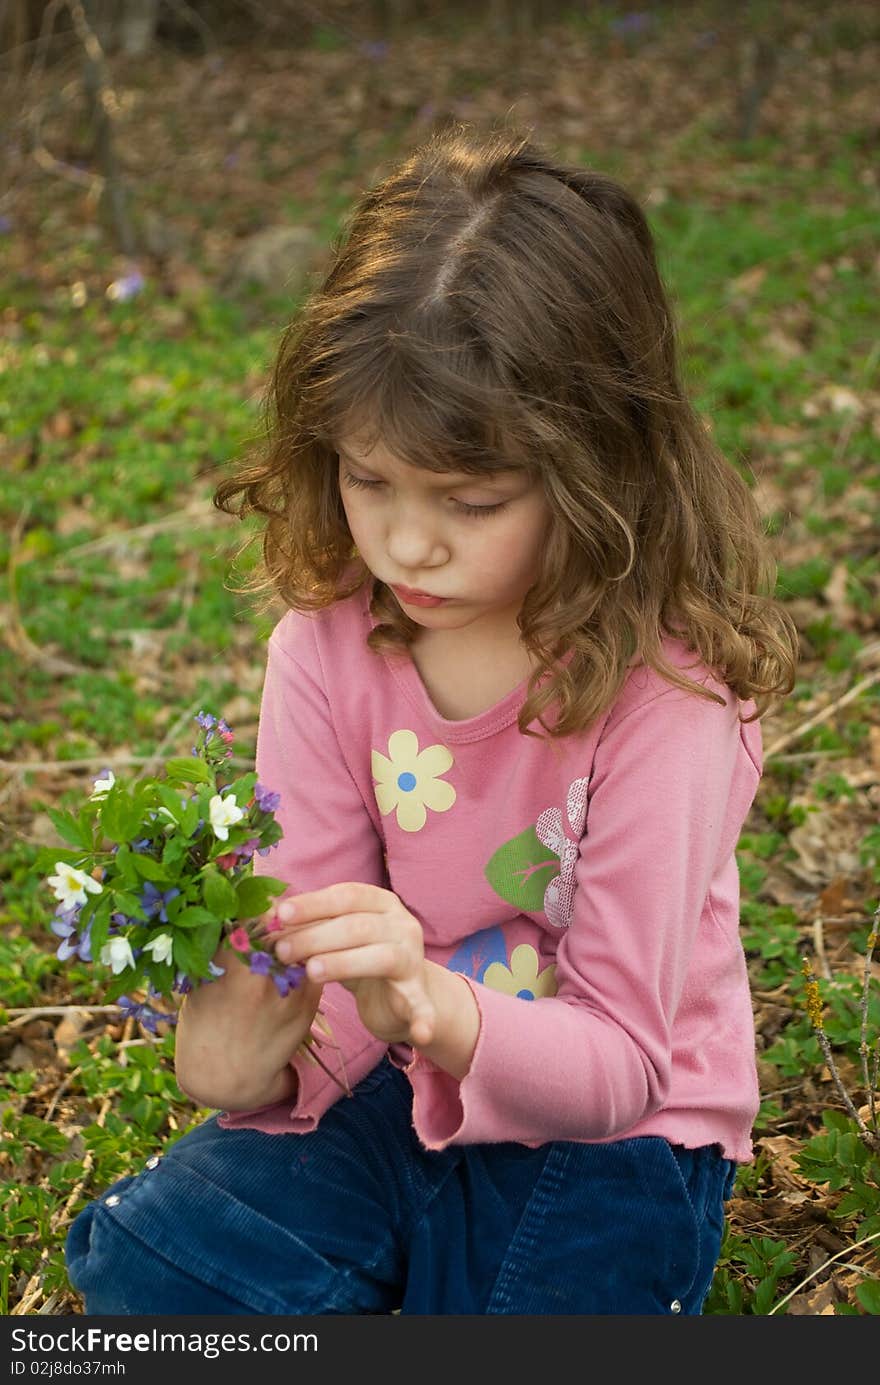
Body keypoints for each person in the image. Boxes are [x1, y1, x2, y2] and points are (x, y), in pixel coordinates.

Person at [66, 123, 799, 1316]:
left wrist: (438, 1004)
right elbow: (307, 944)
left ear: (599, 470)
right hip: (385, 1089)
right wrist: (246, 1053)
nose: (406, 542)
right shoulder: (326, 644)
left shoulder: (670, 696)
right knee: (155, 1263)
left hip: (620, 1133)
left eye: (471, 499)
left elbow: (622, 1061)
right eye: (368, 480)